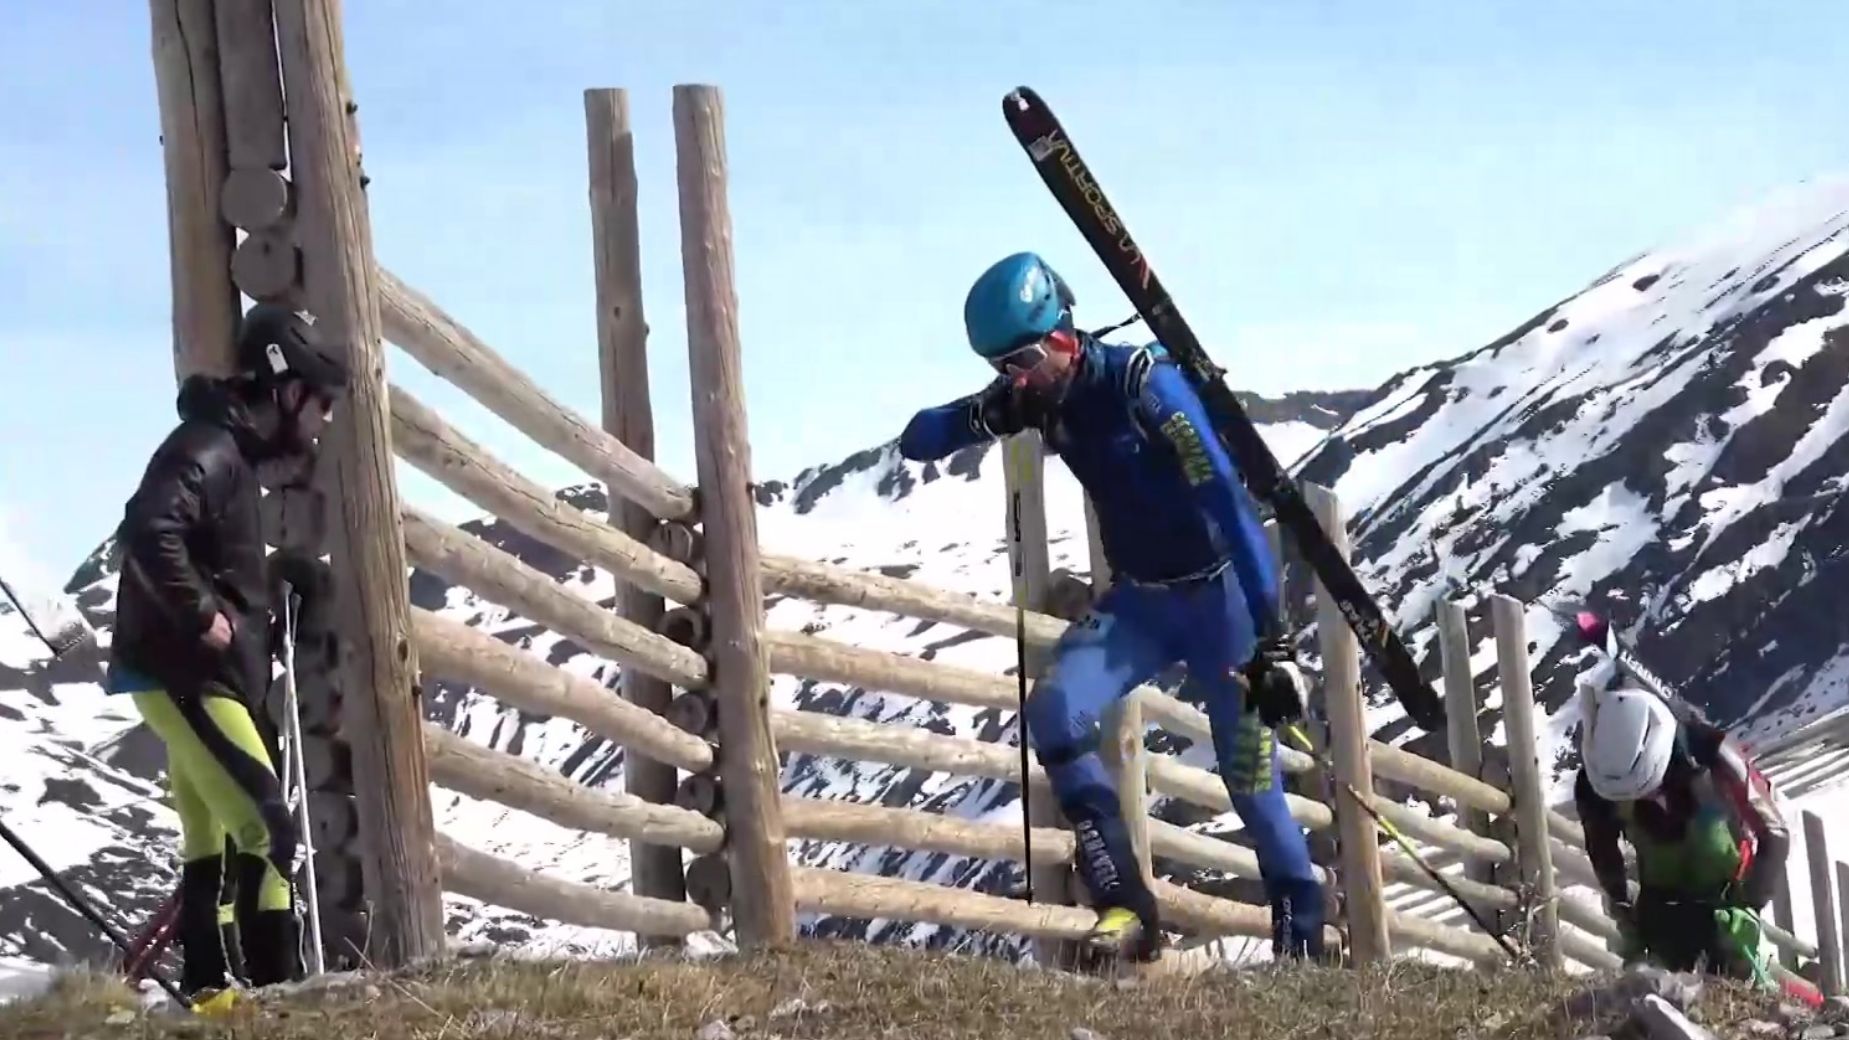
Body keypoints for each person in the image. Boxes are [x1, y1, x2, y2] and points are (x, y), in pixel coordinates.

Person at [897, 252, 1323, 961]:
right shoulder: (1033, 397)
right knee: (1054, 712)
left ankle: (1301, 952)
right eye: (1001, 365)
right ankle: (1125, 902)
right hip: (1141, 605)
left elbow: (1231, 505)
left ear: (1063, 333)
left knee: (1250, 783)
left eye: (1024, 360)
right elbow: (917, 440)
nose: (1016, 376)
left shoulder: (1145, 386)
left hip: (1221, 605)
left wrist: (1274, 642)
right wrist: (982, 411)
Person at [105, 303, 348, 997]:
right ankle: (276, 999)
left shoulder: (227, 452)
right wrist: (201, 613)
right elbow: (148, 529)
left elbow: (201, 553)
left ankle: (208, 993)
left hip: (189, 674)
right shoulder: (209, 448)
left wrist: (268, 593)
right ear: (287, 389)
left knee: (209, 839)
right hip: (190, 675)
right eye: (321, 399)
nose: (326, 416)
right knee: (268, 830)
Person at [1574, 658, 1791, 978]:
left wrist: (1749, 907)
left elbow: (1774, 833)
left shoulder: (1711, 752)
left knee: (1738, 977)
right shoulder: (1596, 782)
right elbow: (1603, 852)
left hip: (1728, 891)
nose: (1643, 798)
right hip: (1661, 896)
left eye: (1646, 788)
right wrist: (1624, 912)